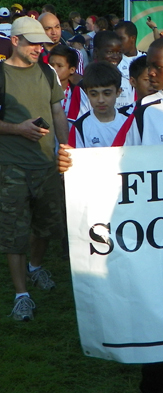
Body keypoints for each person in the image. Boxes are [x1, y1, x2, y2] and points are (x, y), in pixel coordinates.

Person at [60, 38, 163, 393]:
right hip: (157, 243)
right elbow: (110, 163)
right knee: (159, 324)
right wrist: (74, 165)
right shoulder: (147, 116)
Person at [0, 16, 69, 321]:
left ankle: (36, 267)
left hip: (46, 166)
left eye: (42, 43)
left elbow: (57, 111)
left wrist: (65, 147)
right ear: (15, 41)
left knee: (45, 225)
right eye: (32, 43)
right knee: (14, 233)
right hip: (10, 167)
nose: (39, 49)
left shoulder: (47, 71)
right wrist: (18, 129)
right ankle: (21, 294)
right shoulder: (0, 74)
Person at [67, 30, 136, 122]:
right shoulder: (83, 86)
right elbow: (75, 122)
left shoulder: (128, 83)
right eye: (110, 52)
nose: (116, 56)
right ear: (96, 52)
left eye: (119, 52)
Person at [68, 61, 130, 148]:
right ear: (86, 93)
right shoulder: (80, 127)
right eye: (94, 94)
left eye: (107, 93)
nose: (100, 100)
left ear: (118, 92)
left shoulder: (130, 123)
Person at [48, 45, 78, 118]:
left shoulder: (77, 93)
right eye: (51, 65)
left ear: (72, 70)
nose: (53, 69)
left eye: (59, 66)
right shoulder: (41, 90)